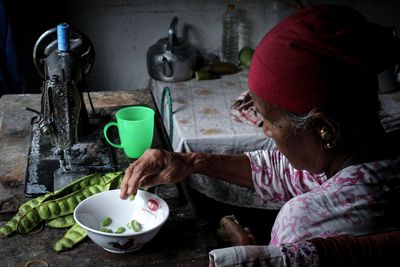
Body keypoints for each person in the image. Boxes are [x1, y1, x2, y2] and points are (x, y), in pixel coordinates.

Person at [120, 4, 400, 266]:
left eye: (270, 121)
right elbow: (283, 171)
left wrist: (250, 254)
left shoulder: (302, 221)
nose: (264, 130)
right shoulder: (370, 151)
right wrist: (190, 161)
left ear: (324, 129)